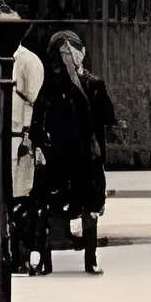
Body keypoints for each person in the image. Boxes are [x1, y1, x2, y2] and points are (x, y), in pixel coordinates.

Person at [29, 29, 119, 276]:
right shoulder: (51, 86)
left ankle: (91, 258)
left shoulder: (94, 84)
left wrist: (100, 153)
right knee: (46, 207)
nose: (69, 56)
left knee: (90, 206)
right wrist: (40, 145)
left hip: (86, 156)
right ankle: (43, 258)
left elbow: (106, 120)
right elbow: (38, 119)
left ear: (83, 52)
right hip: (57, 154)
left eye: (73, 51)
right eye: (64, 52)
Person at [9, 35, 47, 275]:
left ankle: (23, 256)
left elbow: (33, 102)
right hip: (10, 136)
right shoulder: (8, 59)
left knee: (22, 199)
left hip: (20, 139)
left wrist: (27, 135)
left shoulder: (28, 61)